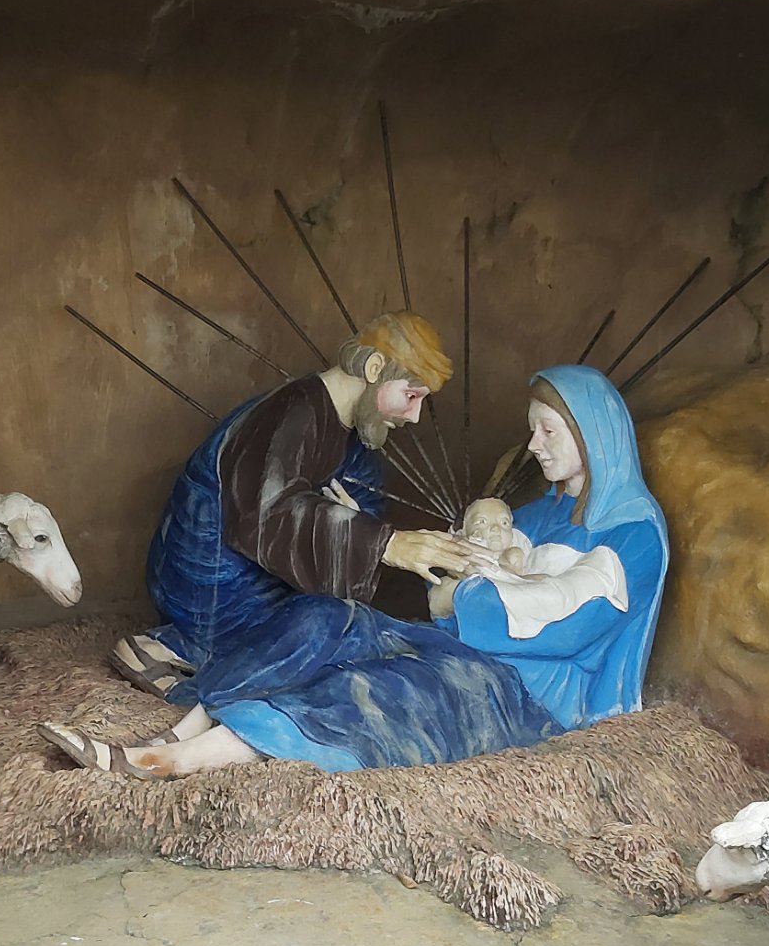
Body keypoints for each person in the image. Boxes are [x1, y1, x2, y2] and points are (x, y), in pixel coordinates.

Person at [51, 312, 549, 775]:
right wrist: (384, 543)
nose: (415, 417)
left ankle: (191, 689)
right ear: (375, 369)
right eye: (412, 396)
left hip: (281, 595)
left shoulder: (356, 439)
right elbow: (268, 515)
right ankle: (188, 670)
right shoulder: (286, 416)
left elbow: (356, 521)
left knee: (381, 641)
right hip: (215, 590)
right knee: (331, 624)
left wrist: (362, 531)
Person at [437, 366, 668, 730]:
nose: (533, 445)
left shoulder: (636, 535)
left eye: (547, 431)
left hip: (545, 702)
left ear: (591, 434)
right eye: (533, 430)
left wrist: (457, 598)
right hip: (487, 667)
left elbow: (565, 631)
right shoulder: (537, 514)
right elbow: (461, 558)